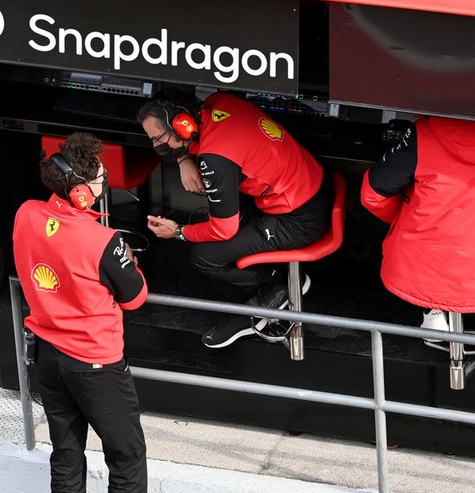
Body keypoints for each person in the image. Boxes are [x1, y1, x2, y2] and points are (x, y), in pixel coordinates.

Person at [12, 132, 170, 493]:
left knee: (67, 460)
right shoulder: (105, 241)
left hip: (49, 361)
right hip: (98, 366)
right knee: (127, 459)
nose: (104, 184)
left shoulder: (26, 214)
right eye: (100, 179)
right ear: (82, 192)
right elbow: (135, 296)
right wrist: (124, 260)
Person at [139, 90, 332, 348]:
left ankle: (274, 288)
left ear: (183, 125)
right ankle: (265, 295)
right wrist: (183, 158)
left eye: (158, 138)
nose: (155, 146)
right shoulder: (218, 104)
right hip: (308, 187)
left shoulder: (215, 159)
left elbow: (222, 230)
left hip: (299, 218)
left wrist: (178, 232)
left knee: (204, 258)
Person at [361, 116, 475, 365]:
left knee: (432, 234)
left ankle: (433, 312)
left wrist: (405, 218)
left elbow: (372, 192)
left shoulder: (425, 133)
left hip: (426, 256)